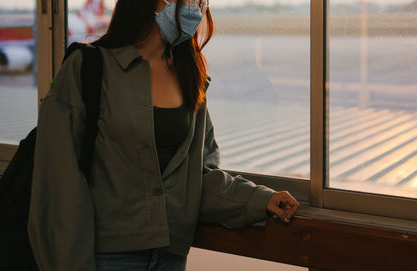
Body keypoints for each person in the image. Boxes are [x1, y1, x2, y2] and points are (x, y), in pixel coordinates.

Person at [27, 0, 300, 270]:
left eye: (201, 1)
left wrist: (259, 199)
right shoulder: (87, 67)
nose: (197, 7)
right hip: (104, 257)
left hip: (169, 258)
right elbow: (58, 181)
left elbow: (196, 177)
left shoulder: (190, 74)